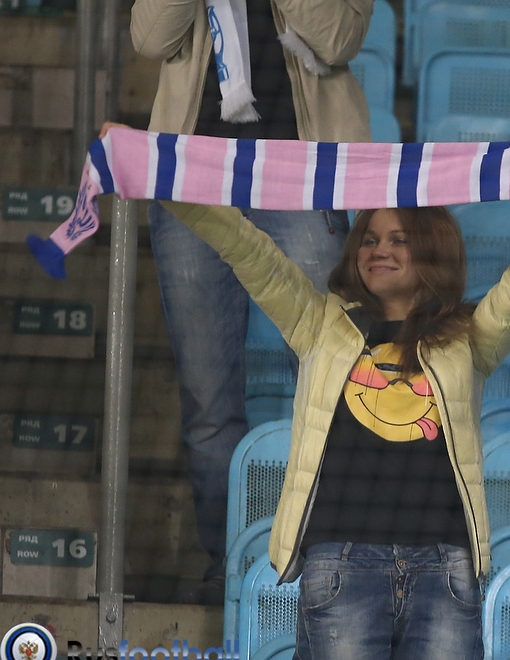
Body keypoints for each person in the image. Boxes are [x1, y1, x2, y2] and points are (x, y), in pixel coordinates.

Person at [133, 132, 510, 660]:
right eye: (370, 239)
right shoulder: (317, 323)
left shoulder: (467, 339)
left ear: (434, 251)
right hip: (341, 567)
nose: (379, 250)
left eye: (399, 240)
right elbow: (246, 248)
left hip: (445, 569)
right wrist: (163, 174)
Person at [130, 0, 373, 600]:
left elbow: (340, 38)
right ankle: (229, 567)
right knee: (208, 402)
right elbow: (150, 37)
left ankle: (332, 556)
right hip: (192, 177)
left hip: (301, 173)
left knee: (334, 382)